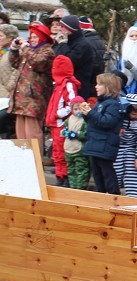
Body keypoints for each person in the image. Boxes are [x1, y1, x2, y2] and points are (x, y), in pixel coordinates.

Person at [10, 22, 56, 151]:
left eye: (35, 37)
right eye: (31, 37)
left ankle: (36, 162)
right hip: (21, 98)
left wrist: (25, 48)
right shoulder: (30, 51)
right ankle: (23, 161)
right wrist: (13, 50)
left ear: (42, 38)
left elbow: (37, 62)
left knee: (32, 134)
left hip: (34, 99)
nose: (31, 40)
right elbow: (14, 64)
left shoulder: (48, 52)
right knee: (21, 134)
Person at [83, 73, 125, 194]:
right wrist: (86, 114)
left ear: (108, 87)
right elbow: (94, 120)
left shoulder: (113, 104)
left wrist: (91, 113)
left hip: (105, 145)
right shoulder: (100, 102)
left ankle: (114, 196)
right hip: (96, 144)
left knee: (107, 173)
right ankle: (101, 196)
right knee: (97, 174)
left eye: (99, 84)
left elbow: (107, 122)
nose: (96, 87)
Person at [44, 54, 81, 186]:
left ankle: (65, 177)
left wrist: (58, 114)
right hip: (55, 124)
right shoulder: (59, 84)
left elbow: (72, 103)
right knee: (57, 152)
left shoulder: (68, 84)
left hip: (61, 123)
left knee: (62, 152)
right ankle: (60, 176)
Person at [114, 93, 137, 198]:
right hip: (116, 147)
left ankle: (136, 199)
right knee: (115, 172)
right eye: (134, 114)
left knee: (133, 172)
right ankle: (111, 196)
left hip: (132, 147)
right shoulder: (119, 114)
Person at [53, 15, 96, 97]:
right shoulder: (67, 41)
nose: (59, 29)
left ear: (70, 29)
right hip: (63, 86)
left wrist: (62, 44)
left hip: (78, 88)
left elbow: (69, 62)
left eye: (62, 27)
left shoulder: (83, 45)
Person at [62, 96, 91, 190]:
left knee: (81, 169)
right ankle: (73, 186)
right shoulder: (68, 120)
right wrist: (65, 132)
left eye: (80, 109)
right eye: (75, 109)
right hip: (68, 149)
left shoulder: (85, 120)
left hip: (79, 149)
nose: (78, 111)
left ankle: (81, 187)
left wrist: (77, 135)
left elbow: (87, 134)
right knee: (71, 169)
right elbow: (64, 130)